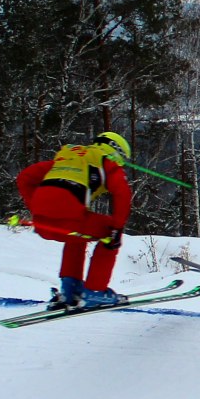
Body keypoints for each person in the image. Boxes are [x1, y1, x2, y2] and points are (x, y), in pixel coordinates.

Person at [15, 132, 133, 309]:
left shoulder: (69, 157)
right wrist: (117, 228)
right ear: (116, 151)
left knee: (77, 235)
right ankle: (95, 292)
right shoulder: (106, 162)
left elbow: (25, 177)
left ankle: (70, 291)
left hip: (42, 223)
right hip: (69, 220)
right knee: (110, 234)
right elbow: (123, 194)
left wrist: (38, 209)